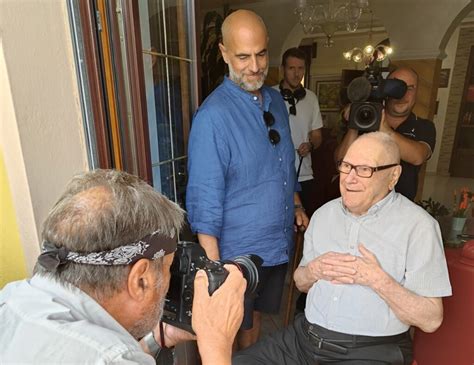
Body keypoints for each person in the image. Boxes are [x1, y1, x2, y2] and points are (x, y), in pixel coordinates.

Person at [233, 132, 452, 364]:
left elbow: (431, 319)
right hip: (303, 340)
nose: (349, 179)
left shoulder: (419, 227)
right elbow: (301, 282)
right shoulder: (323, 215)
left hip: (371, 350)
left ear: (393, 176)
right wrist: (313, 271)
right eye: (346, 166)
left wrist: (379, 280)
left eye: (365, 169)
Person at [0, 169, 246, 365]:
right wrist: (215, 345)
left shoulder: (11, 299)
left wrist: (160, 338)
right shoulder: (112, 359)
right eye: (168, 268)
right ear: (141, 280)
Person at [186, 9, 309, 350]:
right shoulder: (212, 117)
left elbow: (284, 164)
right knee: (230, 329)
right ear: (224, 53)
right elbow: (204, 199)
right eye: (242, 56)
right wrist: (214, 273)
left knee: (254, 327)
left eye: (261, 54)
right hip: (236, 256)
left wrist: (296, 204)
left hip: (276, 243)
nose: (254, 66)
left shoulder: (275, 100)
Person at [335, 67, 436, 201]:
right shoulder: (365, 118)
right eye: (397, 87)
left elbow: (418, 156)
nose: (402, 95)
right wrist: (355, 119)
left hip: (400, 208)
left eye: (410, 88)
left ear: (417, 92)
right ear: (386, 90)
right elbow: (341, 164)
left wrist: (384, 129)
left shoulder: (424, 126)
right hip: (360, 204)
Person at [273, 47, 323, 218]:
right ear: (282, 69)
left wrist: (310, 145)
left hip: (304, 174)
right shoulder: (270, 96)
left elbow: (317, 135)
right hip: (276, 175)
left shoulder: (311, 98)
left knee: (305, 225)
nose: (296, 73)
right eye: (291, 68)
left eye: (300, 68)